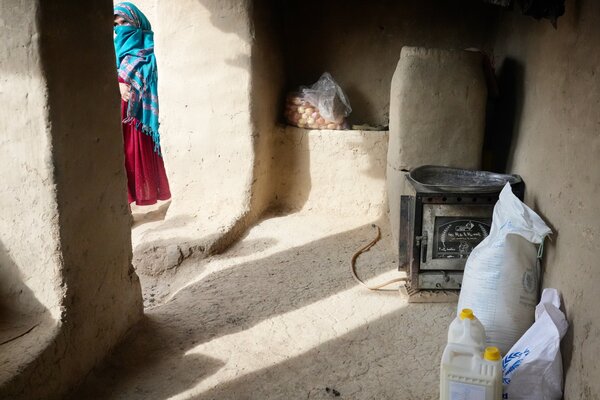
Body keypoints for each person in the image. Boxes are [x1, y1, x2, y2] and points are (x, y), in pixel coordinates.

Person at [114, 2, 171, 206]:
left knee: (133, 156)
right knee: (120, 158)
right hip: (118, 115)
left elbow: (148, 80)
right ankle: (125, 207)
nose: (121, 28)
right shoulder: (113, 52)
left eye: (126, 22)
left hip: (138, 118)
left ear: (137, 23)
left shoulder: (150, 50)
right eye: (117, 24)